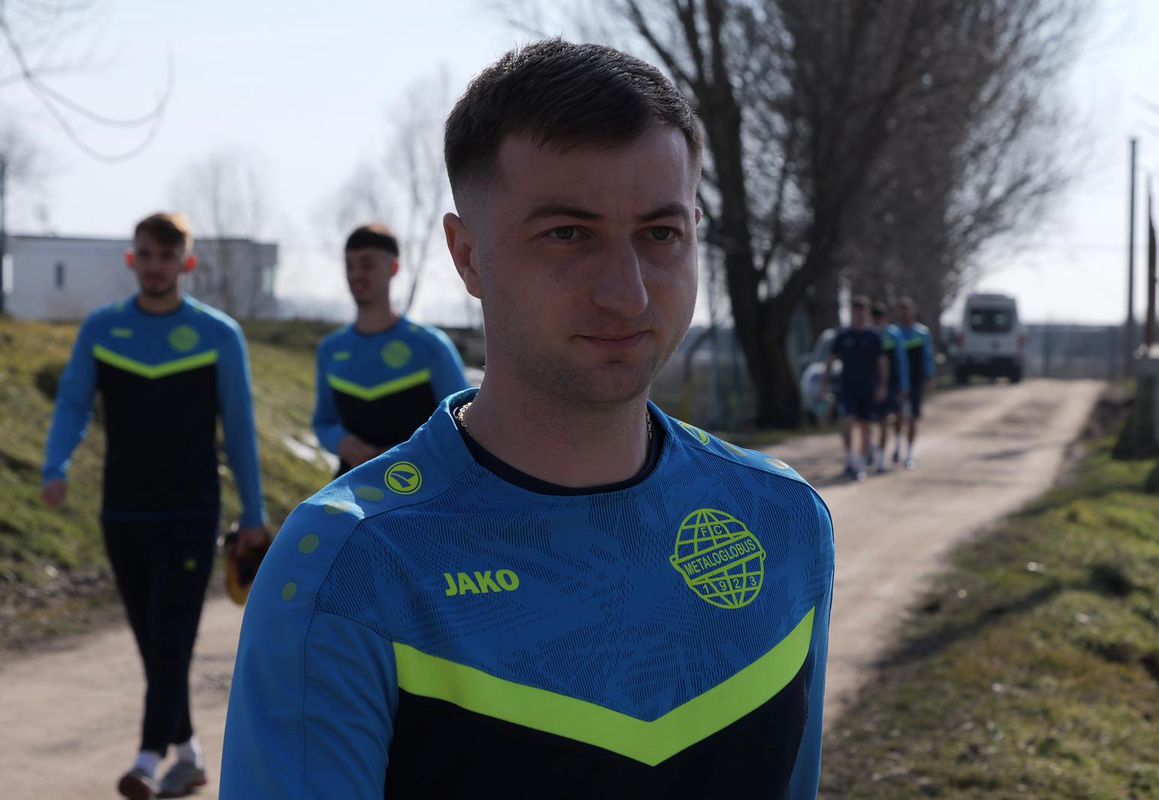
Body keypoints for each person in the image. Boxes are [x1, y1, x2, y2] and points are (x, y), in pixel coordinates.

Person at [222, 39, 835, 799]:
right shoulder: (349, 567)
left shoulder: (783, 518)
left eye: (660, 233)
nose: (628, 294)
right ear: (467, 255)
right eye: (568, 234)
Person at [41, 212, 269, 799]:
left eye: (167, 256)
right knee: (152, 640)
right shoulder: (102, 329)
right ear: (132, 259)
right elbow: (73, 404)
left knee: (171, 638)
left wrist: (253, 513)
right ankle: (188, 753)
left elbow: (240, 427)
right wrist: (55, 465)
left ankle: (146, 759)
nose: (155, 266)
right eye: (145, 254)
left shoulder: (219, 335)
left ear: (186, 264)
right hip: (123, 511)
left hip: (191, 512)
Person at [312, 223, 471, 476]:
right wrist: (340, 441)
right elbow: (323, 422)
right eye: (349, 265)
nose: (356, 274)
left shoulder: (431, 346)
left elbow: (465, 427)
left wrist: (407, 453)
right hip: (353, 488)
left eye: (367, 264)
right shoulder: (331, 350)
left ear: (393, 268)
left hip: (423, 489)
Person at [821, 296, 888, 481]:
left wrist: (882, 386)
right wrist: (824, 385)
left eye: (862, 313)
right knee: (848, 421)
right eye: (856, 312)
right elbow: (830, 361)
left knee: (865, 426)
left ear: (866, 314)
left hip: (868, 387)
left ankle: (861, 465)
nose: (859, 316)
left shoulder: (874, 337)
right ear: (852, 313)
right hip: (848, 387)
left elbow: (883, 363)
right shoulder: (843, 336)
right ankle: (850, 459)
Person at [895, 296, 936, 469]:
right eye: (902, 311)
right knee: (898, 417)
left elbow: (928, 356)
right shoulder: (894, 333)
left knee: (912, 418)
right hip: (897, 381)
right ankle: (897, 445)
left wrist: (929, 377)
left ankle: (909, 454)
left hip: (916, 380)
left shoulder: (922, 333)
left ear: (913, 312)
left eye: (907, 310)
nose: (905, 314)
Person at [870, 302, 909, 474]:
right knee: (877, 421)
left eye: (880, 317)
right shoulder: (869, 334)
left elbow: (901, 360)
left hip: (893, 383)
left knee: (893, 418)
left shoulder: (894, 334)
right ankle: (875, 453)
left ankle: (896, 446)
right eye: (875, 317)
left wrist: (904, 385)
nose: (877, 320)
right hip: (873, 384)